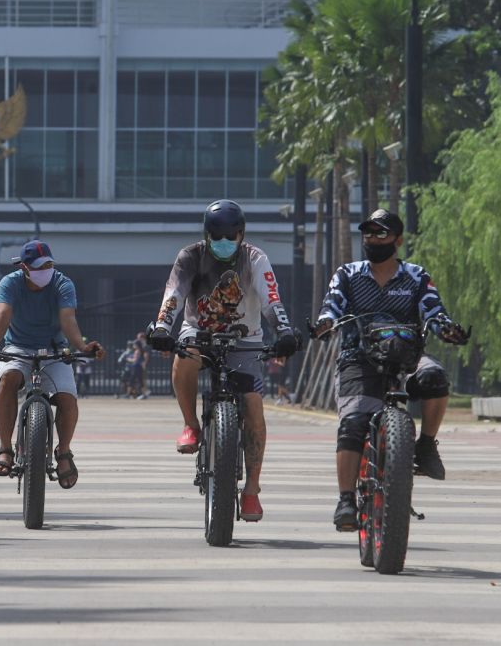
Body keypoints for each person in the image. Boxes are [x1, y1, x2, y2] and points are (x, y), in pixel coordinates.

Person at [312, 209, 469, 532]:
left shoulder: (416, 276)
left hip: (407, 358)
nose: (372, 240)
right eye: (368, 234)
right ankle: (345, 501)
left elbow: (433, 312)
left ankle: (425, 444)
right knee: (353, 424)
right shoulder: (349, 274)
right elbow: (333, 305)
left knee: (436, 377)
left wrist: (447, 330)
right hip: (359, 359)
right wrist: (325, 324)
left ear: (397, 240)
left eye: (380, 234)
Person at [148, 199, 301, 521]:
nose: (223, 242)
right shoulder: (190, 256)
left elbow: (272, 299)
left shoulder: (255, 258)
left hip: (245, 340)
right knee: (185, 356)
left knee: (254, 407)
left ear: (242, 234)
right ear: (205, 235)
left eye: (231, 236)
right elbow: (173, 294)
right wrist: (162, 326)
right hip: (198, 333)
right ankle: (191, 425)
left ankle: (252, 490)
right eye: (215, 236)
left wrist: (284, 331)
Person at [0, 239, 104, 489]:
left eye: (49, 265)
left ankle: (63, 452)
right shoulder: (10, 283)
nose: (46, 270)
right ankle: (5, 448)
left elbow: (68, 320)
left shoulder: (63, 283)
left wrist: (82, 347)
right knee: (8, 381)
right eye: (40, 266)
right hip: (17, 347)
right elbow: (3, 315)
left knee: (67, 398)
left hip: (54, 348)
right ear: (24, 267)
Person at [134, 331, 152, 399]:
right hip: (141, 363)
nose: (138, 339)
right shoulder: (143, 345)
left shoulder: (145, 345)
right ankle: (144, 393)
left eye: (139, 338)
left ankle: (145, 392)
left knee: (142, 379)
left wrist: (144, 363)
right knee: (141, 379)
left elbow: (146, 355)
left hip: (142, 364)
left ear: (142, 338)